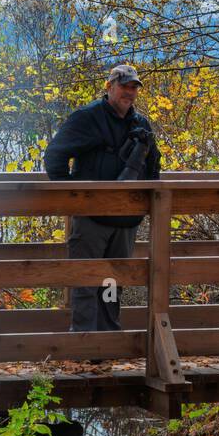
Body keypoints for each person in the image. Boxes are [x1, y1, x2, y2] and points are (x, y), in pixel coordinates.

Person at [44, 63, 161, 332]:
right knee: (85, 279)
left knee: (111, 282)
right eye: (124, 86)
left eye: (134, 87)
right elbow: (54, 156)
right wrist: (74, 197)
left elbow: (154, 167)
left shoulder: (141, 124)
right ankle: (84, 343)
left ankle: (108, 340)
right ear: (109, 87)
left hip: (125, 221)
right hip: (91, 219)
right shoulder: (87, 117)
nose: (129, 92)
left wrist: (144, 204)